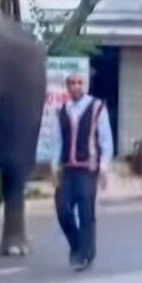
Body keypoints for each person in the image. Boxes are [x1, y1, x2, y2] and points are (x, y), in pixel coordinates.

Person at [45, 73, 113, 271]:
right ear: (67, 87)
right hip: (68, 169)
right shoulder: (63, 111)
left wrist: (104, 168)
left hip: (87, 168)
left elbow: (106, 141)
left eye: (79, 83)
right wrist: (54, 165)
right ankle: (77, 246)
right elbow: (58, 141)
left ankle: (85, 254)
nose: (75, 86)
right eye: (72, 83)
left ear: (85, 85)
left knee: (85, 212)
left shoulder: (97, 107)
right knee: (62, 208)